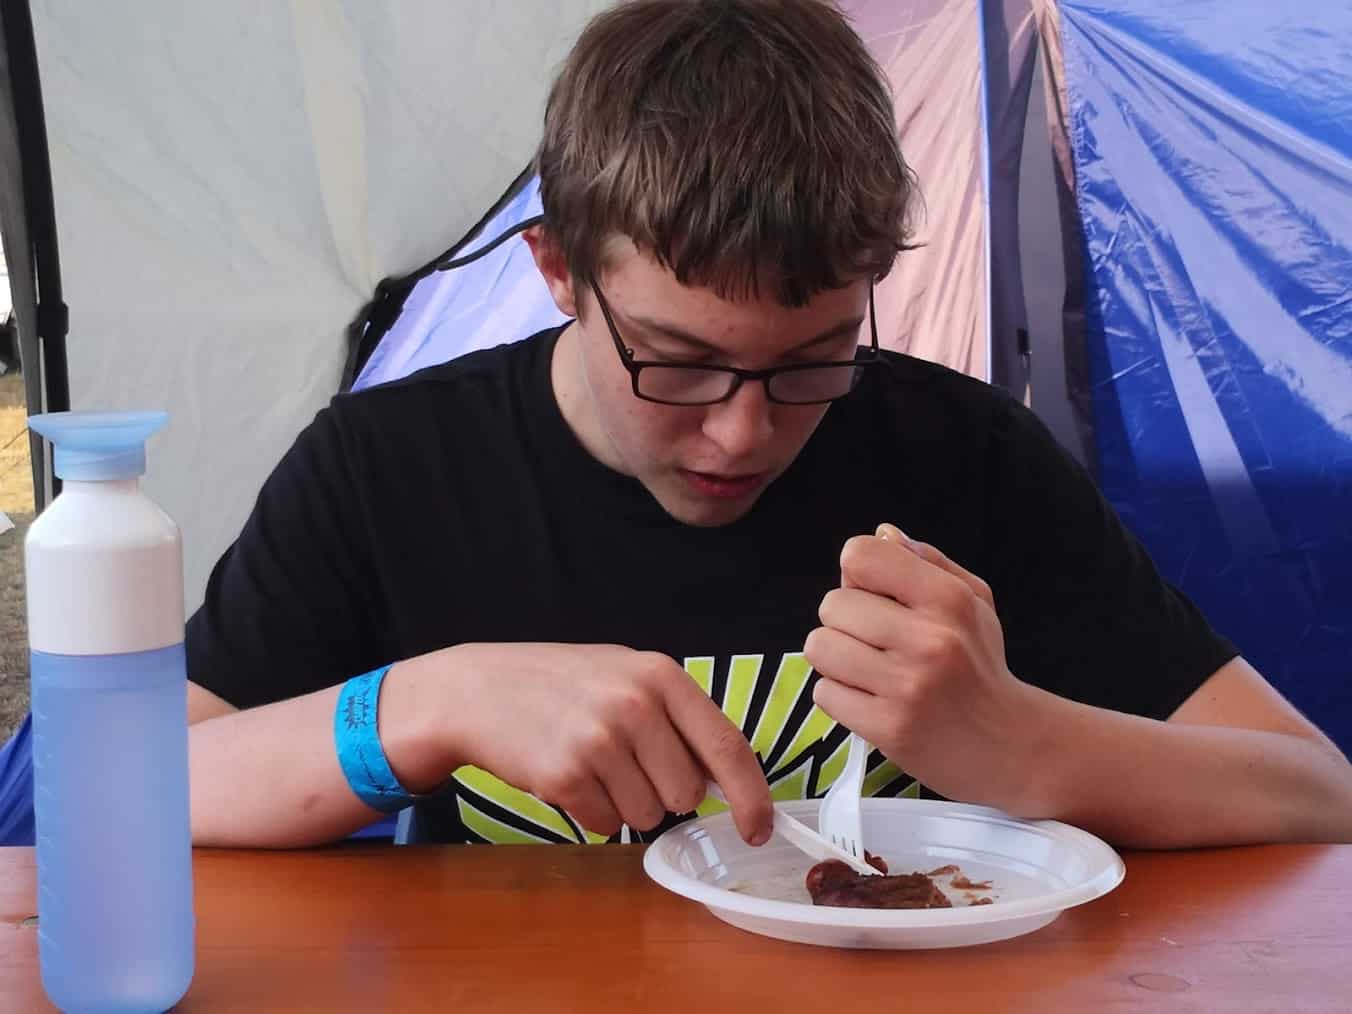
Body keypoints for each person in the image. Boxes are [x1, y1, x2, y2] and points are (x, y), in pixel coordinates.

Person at [185, 0, 1352, 851]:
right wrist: (421, 706)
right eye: (677, 364)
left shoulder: (965, 459)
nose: (741, 435)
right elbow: (139, 793)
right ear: (556, 272)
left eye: (811, 360)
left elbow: (1317, 794)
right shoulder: (388, 467)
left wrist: (1020, 743)